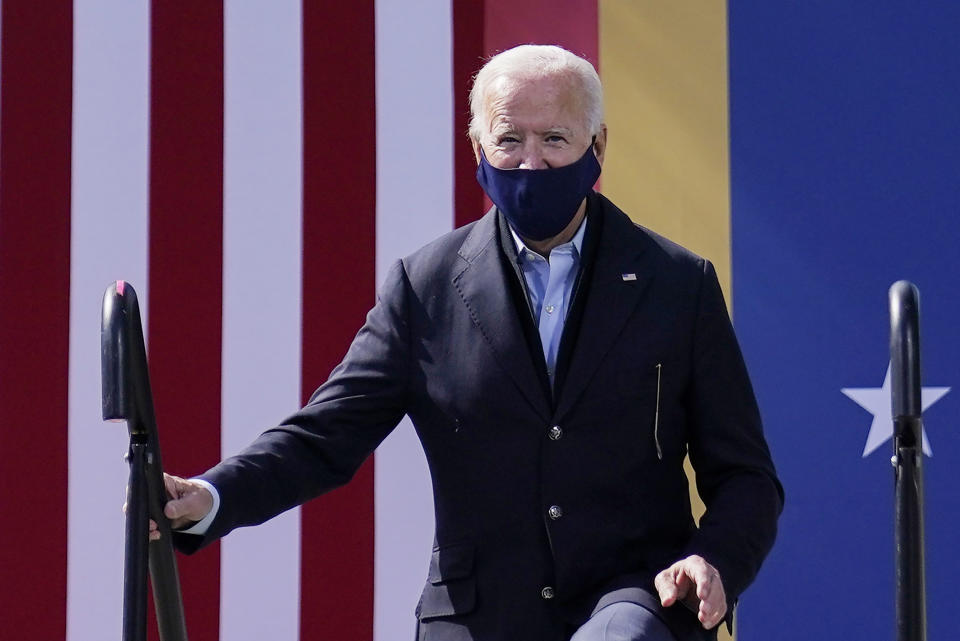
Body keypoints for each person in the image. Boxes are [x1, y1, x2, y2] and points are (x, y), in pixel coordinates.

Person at [156, 44, 783, 641]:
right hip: (478, 616)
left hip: (635, 602)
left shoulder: (678, 283)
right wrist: (211, 495)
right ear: (477, 148)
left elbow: (747, 478)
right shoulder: (425, 286)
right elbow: (325, 436)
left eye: (555, 140)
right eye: (509, 140)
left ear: (599, 146)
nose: (531, 163)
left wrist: (714, 560)